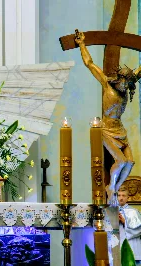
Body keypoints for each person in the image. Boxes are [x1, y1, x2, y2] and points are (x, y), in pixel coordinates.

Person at [75, 30, 140, 204]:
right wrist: (82, 44)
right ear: (119, 79)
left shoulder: (126, 89)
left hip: (120, 129)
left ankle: (115, 187)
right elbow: (89, 63)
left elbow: (138, 72)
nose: (126, 86)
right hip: (106, 129)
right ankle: (111, 186)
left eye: (129, 84)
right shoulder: (107, 86)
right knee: (120, 161)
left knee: (130, 162)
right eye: (124, 82)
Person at [118, 186, 141, 264]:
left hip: (132, 248)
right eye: (119, 195)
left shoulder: (133, 212)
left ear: (127, 197)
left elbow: (139, 230)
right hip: (117, 249)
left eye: (123, 196)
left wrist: (125, 222)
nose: (121, 198)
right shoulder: (110, 212)